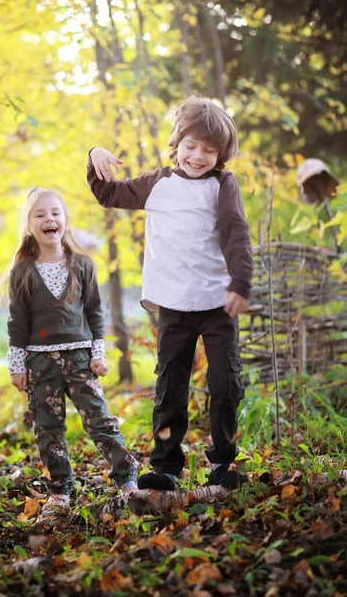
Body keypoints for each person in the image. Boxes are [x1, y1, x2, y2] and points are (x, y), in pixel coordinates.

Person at [87, 95, 253, 491]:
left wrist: (240, 284)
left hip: (217, 304)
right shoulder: (157, 183)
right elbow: (109, 194)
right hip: (174, 307)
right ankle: (165, 466)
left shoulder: (222, 185)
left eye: (209, 150)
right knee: (170, 386)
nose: (197, 156)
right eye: (191, 146)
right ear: (177, 143)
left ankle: (223, 463)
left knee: (224, 384)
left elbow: (236, 235)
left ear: (221, 154)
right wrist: (94, 155)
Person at [7, 187, 138, 515]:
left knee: (99, 419)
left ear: (65, 221)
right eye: (39, 215)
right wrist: (17, 364)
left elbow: (95, 312)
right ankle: (60, 490)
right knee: (47, 426)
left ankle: (127, 479)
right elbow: (18, 322)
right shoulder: (22, 271)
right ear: (29, 225)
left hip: (80, 357)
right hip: (39, 361)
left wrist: (99, 353)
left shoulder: (82, 264)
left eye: (55, 213)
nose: (48, 219)